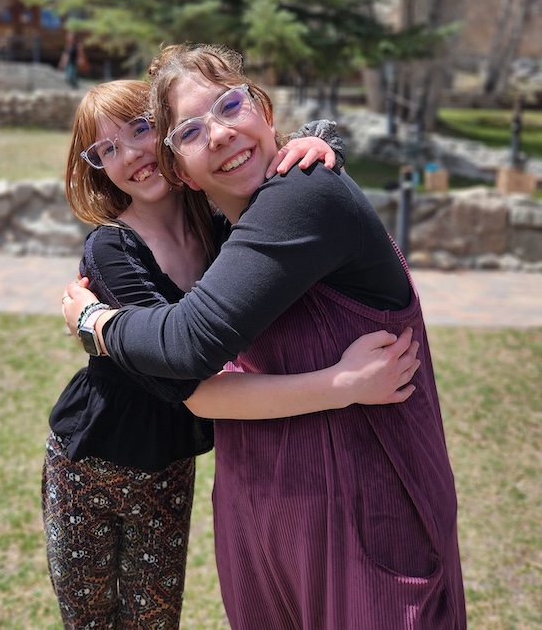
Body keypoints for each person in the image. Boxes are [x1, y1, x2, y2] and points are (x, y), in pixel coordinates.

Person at [62, 44, 467, 630]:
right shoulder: (219, 230)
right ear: (182, 171)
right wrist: (340, 384)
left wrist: (94, 322)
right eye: (193, 130)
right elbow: (193, 381)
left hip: (362, 515)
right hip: (260, 509)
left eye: (231, 105)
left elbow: (189, 345)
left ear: (265, 110)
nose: (221, 133)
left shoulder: (304, 193)